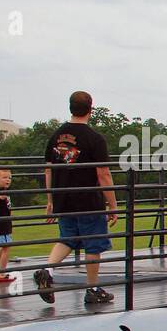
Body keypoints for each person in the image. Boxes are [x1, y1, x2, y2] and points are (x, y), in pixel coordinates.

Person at [33, 91, 119, 307]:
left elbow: (48, 170)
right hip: (88, 200)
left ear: (70, 108)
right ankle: (92, 289)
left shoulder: (56, 136)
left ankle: (47, 270)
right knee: (93, 244)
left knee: (67, 238)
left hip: (63, 198)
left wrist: (50, 200)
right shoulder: (94, 139)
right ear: (91, 108)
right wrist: (113, 204)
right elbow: (103, 174)